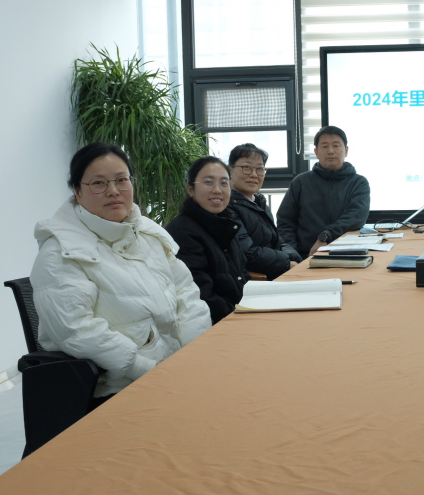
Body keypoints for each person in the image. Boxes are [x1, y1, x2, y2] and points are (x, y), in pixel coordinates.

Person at [30, 143, 212, 399]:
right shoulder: (60, 252)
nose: (113, 191)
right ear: (77, 191)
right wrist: (149, 370)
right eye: (98, 183)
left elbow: (186, 293)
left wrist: (194, 354)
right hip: (119, 388)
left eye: (121, 180)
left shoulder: (147, 233)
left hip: (176, 371)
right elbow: (77, 330)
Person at [166, 157, 249, 324]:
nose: (217, 190)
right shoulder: (182, 231)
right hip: (216, 323)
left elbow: (241, 274)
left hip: (241, 311)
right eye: (208, 182)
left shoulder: (225, 223)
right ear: (190, 189)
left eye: (224, 183)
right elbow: (201, 296)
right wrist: (239, 317)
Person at [277, 126, 370, 258]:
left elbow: (355, 217)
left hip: (347, 254)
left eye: (336, 145)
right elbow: (285, 222)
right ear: (316, 152)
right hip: (305, 256)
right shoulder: (300, 182)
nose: (330, 151)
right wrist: (292, 254)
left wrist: (326, 235)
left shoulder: (358, 182)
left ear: (346, 150)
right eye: (325, 146)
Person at [226, 143, 300, 279]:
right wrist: (287, 263)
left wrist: (295, 258)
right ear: (230, 170)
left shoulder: (259, 202)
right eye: (246, 168)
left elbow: (277, 240)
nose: (254, 175)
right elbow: (247, 253)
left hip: (276, 270)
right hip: (255, 281)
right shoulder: (226, 206)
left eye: (260, 169)